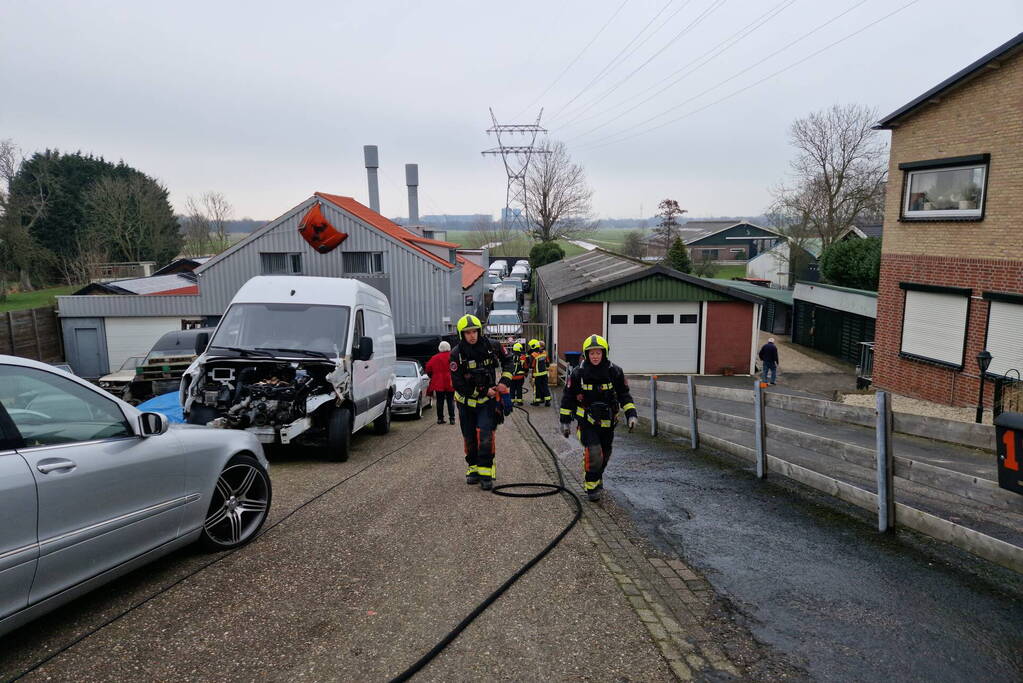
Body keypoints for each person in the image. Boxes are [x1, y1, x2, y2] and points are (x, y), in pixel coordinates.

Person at [559, 334, 637, 502]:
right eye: (591, 353)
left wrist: (631, 415)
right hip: (586, 422)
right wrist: (565, 423)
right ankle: (591, 487)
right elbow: (568, 398)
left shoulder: (614, 371)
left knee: (605, 454)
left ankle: (597, 477)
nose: (595, 356)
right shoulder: (578, 373)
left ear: (604, 353)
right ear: (586, 354)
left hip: (608, 424)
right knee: (594, 453)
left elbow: (624, 395)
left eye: (598, 353)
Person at [450, 314, 514, 491]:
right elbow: (458, 384)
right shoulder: (457, 354)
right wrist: (483, 390)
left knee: (485, 435)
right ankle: (473, 468)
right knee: (469, 436)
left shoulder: (491, 346)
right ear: (461, 334)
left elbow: (509, 361)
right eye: (467, 332)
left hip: (487, 403)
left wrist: (504, 383)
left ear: (480, 331)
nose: (472, 335)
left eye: (474, 332)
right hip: (466, 404)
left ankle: (486, 473)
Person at [425, 340, 455, 425]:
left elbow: (428, 368)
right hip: (450, 382)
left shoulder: (434, 358)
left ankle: (440, 419)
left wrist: (433, 376)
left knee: (440, 401)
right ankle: (452, 419)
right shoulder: (452, 356)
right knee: (450, 401)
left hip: (438, 382)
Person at [529, 339, 551, 407]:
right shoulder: (544, 352)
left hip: (537, 375)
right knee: (545, 387)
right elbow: (547, 363)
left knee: (537, 388)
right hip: (544, 374)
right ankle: (547, 402)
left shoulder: (533, 355)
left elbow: (531, 366)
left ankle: (537, 402)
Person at [508, 341, 531, 406]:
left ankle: (511, 401)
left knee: (512, 388)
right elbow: (525, 366)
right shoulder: (523, 357)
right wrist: (526, 372)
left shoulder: (510, 356)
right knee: (519, 388)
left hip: (512, 376)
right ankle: (519, 401)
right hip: (520, 377)